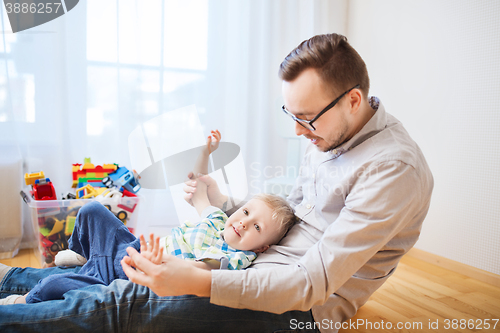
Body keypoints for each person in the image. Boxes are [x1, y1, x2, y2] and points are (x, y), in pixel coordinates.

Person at [0, 33, 433, 332]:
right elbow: (291, 213)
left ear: (353, 100)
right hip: (244, 261)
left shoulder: (393, 171)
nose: (299, 132)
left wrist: (196, 281)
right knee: (117, 251)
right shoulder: (327, 133)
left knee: (123, 302)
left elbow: (307, 284)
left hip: (295, 311)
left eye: (306, 119)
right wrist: (226, 202)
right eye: (292, 116)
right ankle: (12, 282)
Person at [1, 130, 296, 305]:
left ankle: (21, 303)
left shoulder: (233, 259)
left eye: (256, 227)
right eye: (246, 212)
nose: (243, 222)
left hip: (129, 273)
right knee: (92, 210)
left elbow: (200, 270)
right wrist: (207, 151)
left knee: (54, 286)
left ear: (261, 248)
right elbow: (199, 185)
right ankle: (82, 254)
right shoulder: (217, 219)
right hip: (130, 247)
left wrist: (161, 262)